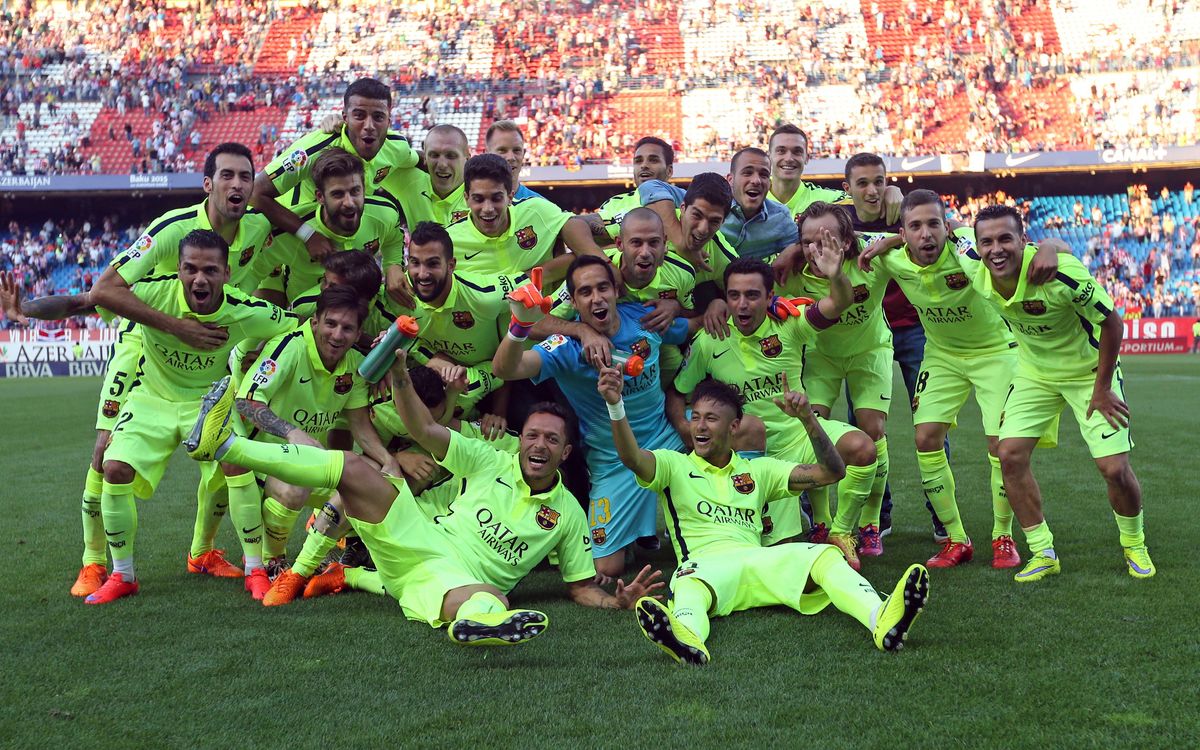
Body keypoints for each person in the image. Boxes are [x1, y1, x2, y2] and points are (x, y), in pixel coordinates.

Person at [184, 351, 666, 646]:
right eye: (532, 436)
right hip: (416, 534)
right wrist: (398, 373)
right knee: (353, 468)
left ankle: (479, 626)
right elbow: (425, 428)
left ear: (565, 454)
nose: (538, 445)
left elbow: (581, 586)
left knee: (491, 598)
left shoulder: (567, 515)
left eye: (551, 441)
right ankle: (224, 444)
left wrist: (613, 603)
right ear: (522, 440)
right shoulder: (487, 459)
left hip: (449, 577)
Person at [601, 375, 929, 664]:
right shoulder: (672, 465)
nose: (699, 426)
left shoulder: (758, 470)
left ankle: (881, 619)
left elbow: (833, 472)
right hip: (705, 567)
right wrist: (616, 405)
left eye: (711, 418)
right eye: (695, 417)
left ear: (733, 427)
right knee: (688, 585)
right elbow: (631, 457)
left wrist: (808, 421)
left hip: (757, 561)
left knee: (825, 554)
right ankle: (686, 638)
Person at [80, 143, 278, 596]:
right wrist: (177, 328)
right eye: (225, 176)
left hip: (210, 365)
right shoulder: (172, 229)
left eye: (244, 177)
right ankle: (96, 563)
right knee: (105, 454)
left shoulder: (256, 226)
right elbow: (105, 290)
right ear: (207, 184)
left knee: (231, 463)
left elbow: (292, 201)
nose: (236, 184)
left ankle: (213, 555)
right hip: (144, 348)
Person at [859, 190, 1059, 570]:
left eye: (934, 223)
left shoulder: (968, 251)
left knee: (1000, 445)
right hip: (942, 356)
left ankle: (1003, 536)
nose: (926, 234)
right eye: (915, 226)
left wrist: (1049, 244)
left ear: (947, 227)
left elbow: (1009, 248)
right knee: (925, 438)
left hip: (995, 353)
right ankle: (956, 539)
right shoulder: (890, 258)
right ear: (903, 233)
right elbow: (845, 238)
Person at [93, 231, 296, 604]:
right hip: (151, 398)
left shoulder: (245, 309)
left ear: (226, 273)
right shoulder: (155, 293)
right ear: (178, 269)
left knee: (238, 466)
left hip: (208, 402)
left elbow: (294, 329)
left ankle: (255, 569)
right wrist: (176, 326)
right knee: (115, 468)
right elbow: (97, 295)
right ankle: (122, 574)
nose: (198, 279)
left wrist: (257, 354)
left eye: (209, 270)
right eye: (189, 269)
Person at [962, 204, 1155, 582]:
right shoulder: (972, 263)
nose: (995, 249)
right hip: (1034, 374)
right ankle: (1042, 551)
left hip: (1089, 374)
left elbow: (1112, 323)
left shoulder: (1061, 275)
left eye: (1005, 239)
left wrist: (1101, 389)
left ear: (1023, 240)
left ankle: (1135, 544)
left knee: (1114, 468)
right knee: (1009, 455)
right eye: (987, 241)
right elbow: (944, 231)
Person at [670, 257, 879, 570]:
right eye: (734, 295)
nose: (742, 304)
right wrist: (685, 428)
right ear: (725, 297)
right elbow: (677, 391)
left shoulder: (788, 323)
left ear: (770, 297)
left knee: (863, 448)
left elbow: (839, 302)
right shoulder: (708, 340)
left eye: (753, 295)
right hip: (753, 455)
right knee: (781, 555)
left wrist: (835, 273)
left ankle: (839, 533)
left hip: (798, 435)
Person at [494, 254, 693, 577]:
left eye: (603, 288)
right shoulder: (565, 347)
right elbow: (505, 368)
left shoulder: (643, 319)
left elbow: (694, 326)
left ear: (616, 291)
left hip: (668, 437)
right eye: (586, 292)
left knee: (742, 430)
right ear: (573, 301)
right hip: (614, 463)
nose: (597, 298)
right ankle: (629, 535)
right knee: (606, 568)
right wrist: (519, 327)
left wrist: (683, 309)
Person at [226, 285, 399, 604]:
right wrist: (291, 432)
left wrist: (387, 461)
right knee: (295, 486)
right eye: (330, 323)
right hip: (262, 461)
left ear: (359, 331)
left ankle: (326, 558)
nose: (337, 334)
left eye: (347, 328)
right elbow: (247, 401)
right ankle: (273, 560)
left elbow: (361, 426)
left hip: (310, 461)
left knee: (371, 476)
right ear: (316, 321)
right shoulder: (290, 346)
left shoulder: (354, 366)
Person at [777, 202, 892, 555]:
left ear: (847, 239)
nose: (816, 249)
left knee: (871, 429)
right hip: (822, 357)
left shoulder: (872, 258)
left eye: (826, 239)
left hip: (870, 351)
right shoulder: (792, 271)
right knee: (814, 429)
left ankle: (871, 523)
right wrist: (789, 252)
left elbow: (905, 238)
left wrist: (892, 240)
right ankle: (823, 523)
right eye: (807, 242)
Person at [254, 78, 416, 263]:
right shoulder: (314, 149)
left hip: (342, 238)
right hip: (292, 240)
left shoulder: (398, 147)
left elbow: (420, 160)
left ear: (389, 119)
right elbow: (255, 192)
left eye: (378, 117)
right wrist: (307, 234)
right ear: (345, 117)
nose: (369, 125)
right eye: (359, 115)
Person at [256, 148, 407, 307]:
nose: (349, 202)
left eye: (355, 191)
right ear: (320, 197)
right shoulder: (288, 233)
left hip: (362, 314)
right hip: (302, 319)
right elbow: (254, 271)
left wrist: (393, 265)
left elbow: (394, 237)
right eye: (338, 194)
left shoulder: (385, 214)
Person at [437, 154, 607, 286]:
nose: (487, 208)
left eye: (496, 198)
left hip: (546, 328)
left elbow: (571, 224)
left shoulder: (537, 211)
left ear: (510, 196)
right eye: (478, 199)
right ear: (466, 198)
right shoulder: (449, 242)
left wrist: (596, 255)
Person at [404, 220, 516, 421]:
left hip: (496, 375)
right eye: (415, 262)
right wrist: (435, 359)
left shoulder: (484, 296)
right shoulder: (401, 294)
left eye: (433, 263)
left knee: (466, 388)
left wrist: (499, 413)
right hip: (441, 373)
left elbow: (534, 290)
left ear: (451, 265)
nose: (422, 274)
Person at [767, 124, 900, 221]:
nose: (789, 158)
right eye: (781, 151)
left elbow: (864, 198)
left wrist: (890, 190)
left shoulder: (829, 201)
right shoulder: (752, 200)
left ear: (806, 158)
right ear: (769, 156)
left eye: (797, 151)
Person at [591, 137, 679, 244]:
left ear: (669, 171)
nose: (644, 165)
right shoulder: (613, 204)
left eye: (653, 160)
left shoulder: (686, 204)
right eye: (638, 161)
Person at [382, 123, 470, 229]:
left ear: (467, 158)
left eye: (451, 156)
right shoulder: (411, 182)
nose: (442, 164)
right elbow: (367, 152)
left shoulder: (482, 196)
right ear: (425, 157)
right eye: (434, 155)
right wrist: (413, 157)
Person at [484, 120, 543, 200]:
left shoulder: (541, 206)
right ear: (486, 154)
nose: (511, 157)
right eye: (502, 150)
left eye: (516, 150)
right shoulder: (466, 205)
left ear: (524, 153)